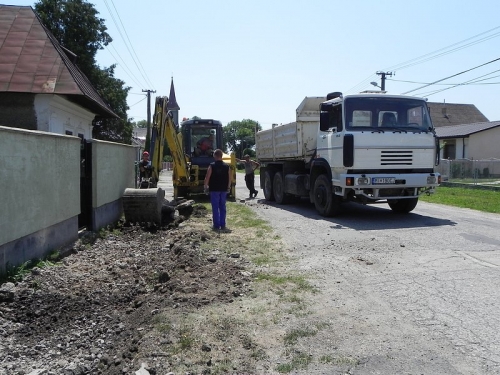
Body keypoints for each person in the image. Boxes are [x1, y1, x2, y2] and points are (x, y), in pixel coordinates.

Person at [204, 149, 231, 231]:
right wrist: (228, 187)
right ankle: (223, 224)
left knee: (215, 207)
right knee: (222, 206)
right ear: (222, 156)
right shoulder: (227, 166)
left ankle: (216, 225)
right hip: (223, 189)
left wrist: (205, 187)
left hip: (214, 189)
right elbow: (230, 178)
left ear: (214, 156)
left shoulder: (211, 166)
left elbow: (207, 177)